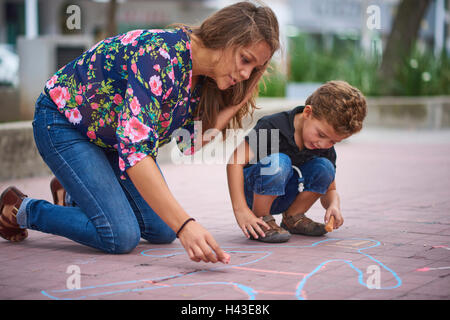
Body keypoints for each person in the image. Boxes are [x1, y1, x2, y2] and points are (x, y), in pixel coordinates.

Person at [0, 1, 280, 263]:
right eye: (245, 60)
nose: (246, 74)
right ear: (225, 37)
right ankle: (20, 208)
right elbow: (135, 154)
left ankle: (74, 190)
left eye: (254, 68)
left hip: (110, 142)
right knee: (120, 235)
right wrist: (186, 225)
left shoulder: (203, 79)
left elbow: (188, 144)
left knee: (162, 230)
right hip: (63, 122)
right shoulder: (159, 54)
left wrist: (236, 102)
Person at [226, 80, 367, 243]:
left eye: (333, 142)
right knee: (279, 162)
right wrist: (241, 210)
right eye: (321, 134)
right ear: (308, 112)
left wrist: (333, 205)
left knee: (325, 167)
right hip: (255, 192)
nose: (323, 144)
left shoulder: (323, 145)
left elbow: (330, 189)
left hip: (287, 193)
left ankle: (293, 218)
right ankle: (261, 220)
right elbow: (234, 162)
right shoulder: (273, 127)